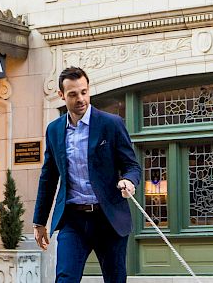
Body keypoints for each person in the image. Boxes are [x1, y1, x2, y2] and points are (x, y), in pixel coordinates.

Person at [33, 66, 141, 283]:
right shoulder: (54, 130)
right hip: (73, 219)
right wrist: (39, 221)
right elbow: (49, 177)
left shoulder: (111, 124)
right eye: (73, 94)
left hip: (108, 218)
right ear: (61, 95)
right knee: (65, 278)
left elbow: (132, 166)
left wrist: (129, 181)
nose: (80, 99)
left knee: (115, 279)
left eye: (84, 92)